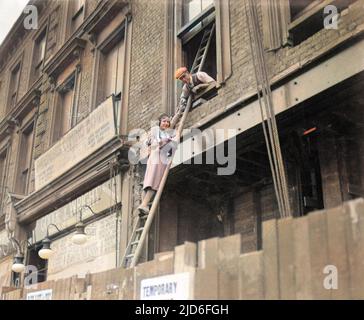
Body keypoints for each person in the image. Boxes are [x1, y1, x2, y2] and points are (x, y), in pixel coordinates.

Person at [137, 113, 178, 216]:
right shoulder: (156, 130)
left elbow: (173, 122)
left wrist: (178, 113)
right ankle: (144, 205)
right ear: (159, 122)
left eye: (168, 122)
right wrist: (167, 140)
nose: (166, 123)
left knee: (149, 180)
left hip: (155, 156)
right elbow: (158, 142)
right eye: (164, 121)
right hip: (158, 156)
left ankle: (143, 205)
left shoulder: (166, 132)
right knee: (154, 181)